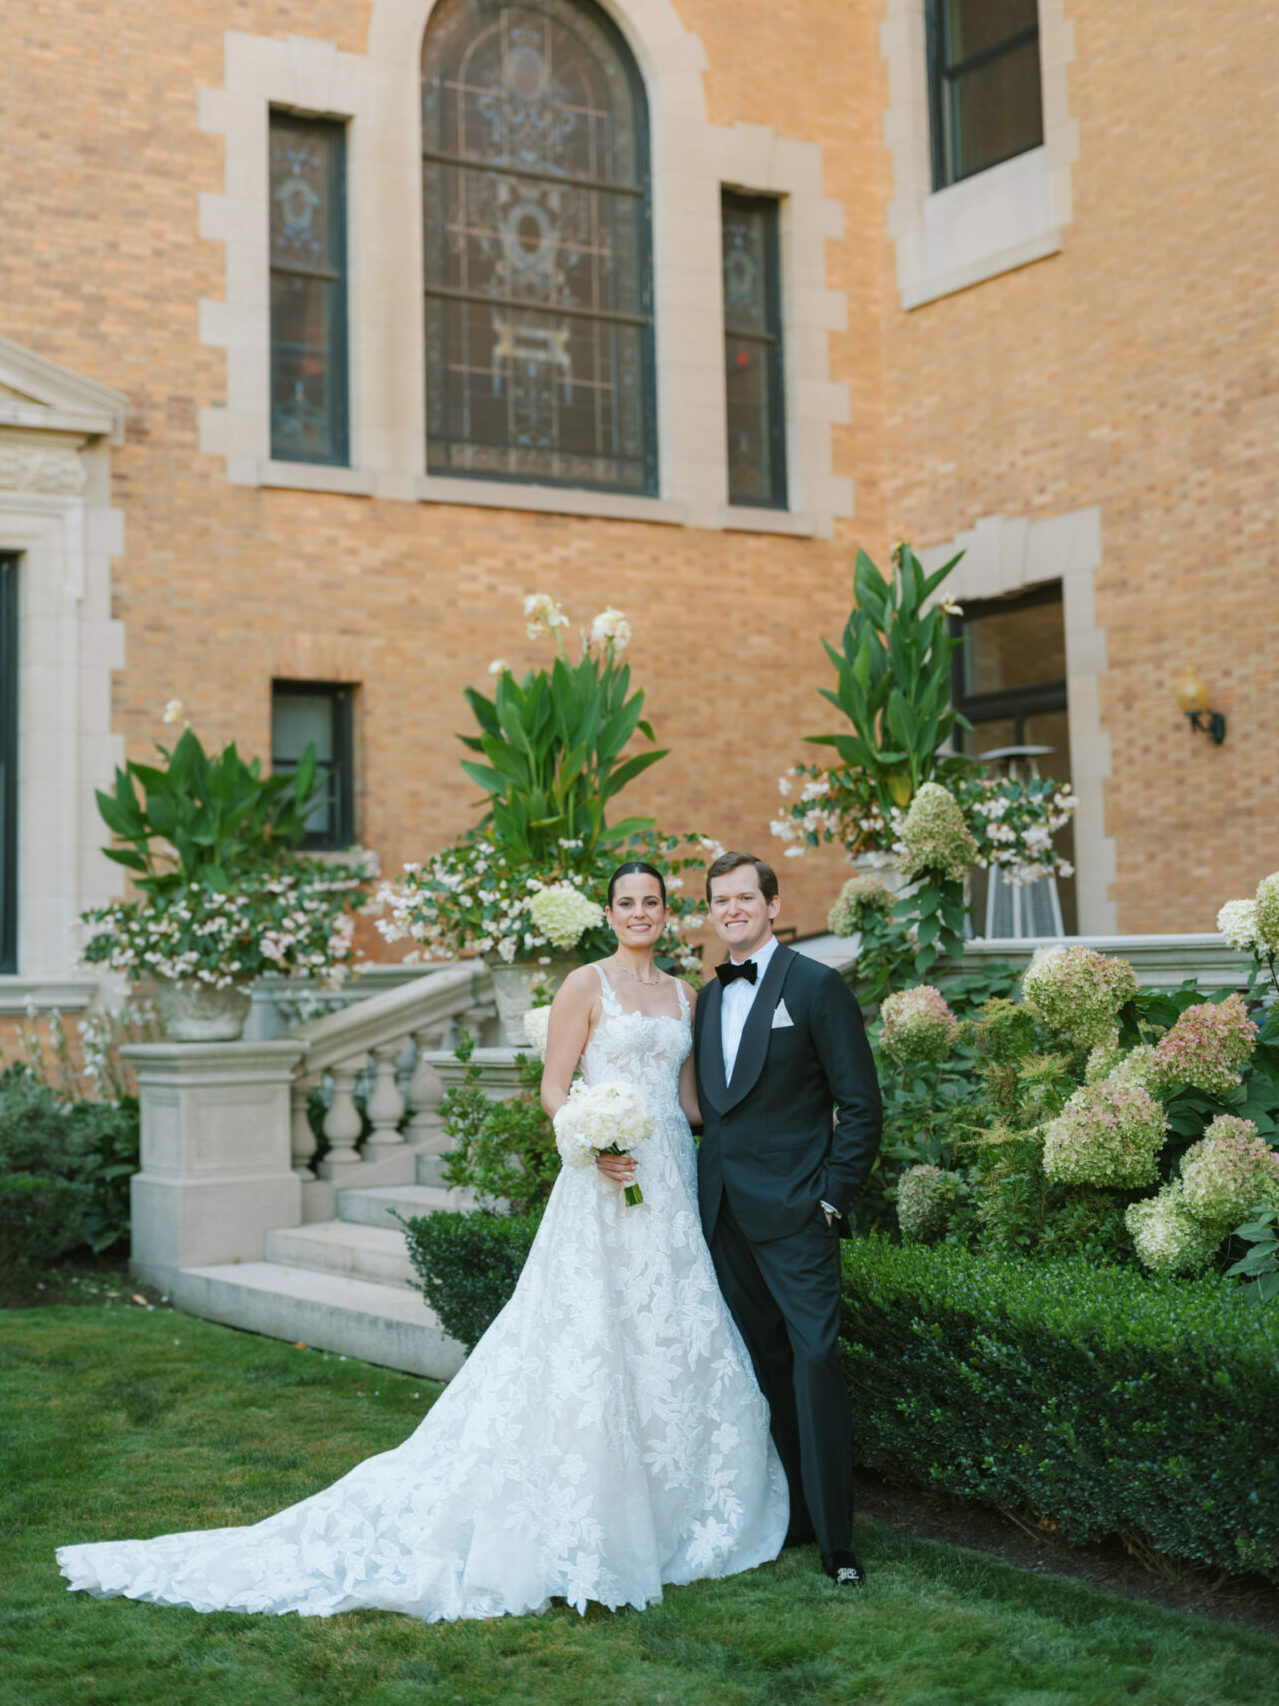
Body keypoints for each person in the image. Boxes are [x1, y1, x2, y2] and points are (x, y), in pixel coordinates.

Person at [56, 861, 788, 1622]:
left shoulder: (684, 995)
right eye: (626, 903)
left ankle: (677, 1511)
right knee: (589, 1336)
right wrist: (587, 1134)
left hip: (666, 1179)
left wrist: (755, 1123)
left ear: (670, 914)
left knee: (668, 1330)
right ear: (608, 914)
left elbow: (693, 1102)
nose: (639, 913)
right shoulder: (584, 985)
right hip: (601, 1181)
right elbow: (553, 1083)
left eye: (651, 903)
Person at [694, 851, 882, 1587]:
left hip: (799, 1212)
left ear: (771, 906)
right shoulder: (708, 999)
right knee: (763, 1366)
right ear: (711, 913)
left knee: (814, 1363)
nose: (733, 909)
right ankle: (795, 1519)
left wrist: (832, 1196)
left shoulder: (814, 986)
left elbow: (860, 1104)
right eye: (720, 900)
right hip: (726, 1215)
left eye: (745, 897)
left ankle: (838, 1541)